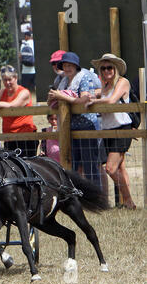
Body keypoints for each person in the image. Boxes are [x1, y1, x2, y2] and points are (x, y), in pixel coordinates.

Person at [86, 53, 136, 209]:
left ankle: (128, 200)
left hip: (122, 128)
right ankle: (128, 203)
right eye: (103, 68)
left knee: (110, 168)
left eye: (109, 67)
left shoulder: (122, 82)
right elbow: (95, 95)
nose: (106, 71)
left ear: (115, 69)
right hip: (108, 129)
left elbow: (111, 100)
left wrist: (93, 101)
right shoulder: (105, 85)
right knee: (120, 168)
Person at [47, 52, 101, 187]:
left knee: (90, 165)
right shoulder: (62, 80)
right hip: (69, 127)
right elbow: (52, 101)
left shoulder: (83, 77)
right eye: (65, 65)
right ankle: (76, 195)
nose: (67, 68)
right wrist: (53, 97)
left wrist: (62, 97)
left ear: (76, 66)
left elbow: (84, 99)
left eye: (70, 65)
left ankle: (96, 197)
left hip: (86, 126)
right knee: (73, 163)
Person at [0, 65, 38, 157]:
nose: (8, 82)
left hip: (25, 136)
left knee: (26, 165)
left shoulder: (24, 92)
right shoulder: (2, 92)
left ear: (16, 78)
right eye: (5, 80)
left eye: (10, 79)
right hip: (8, 137)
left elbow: (11, 105)